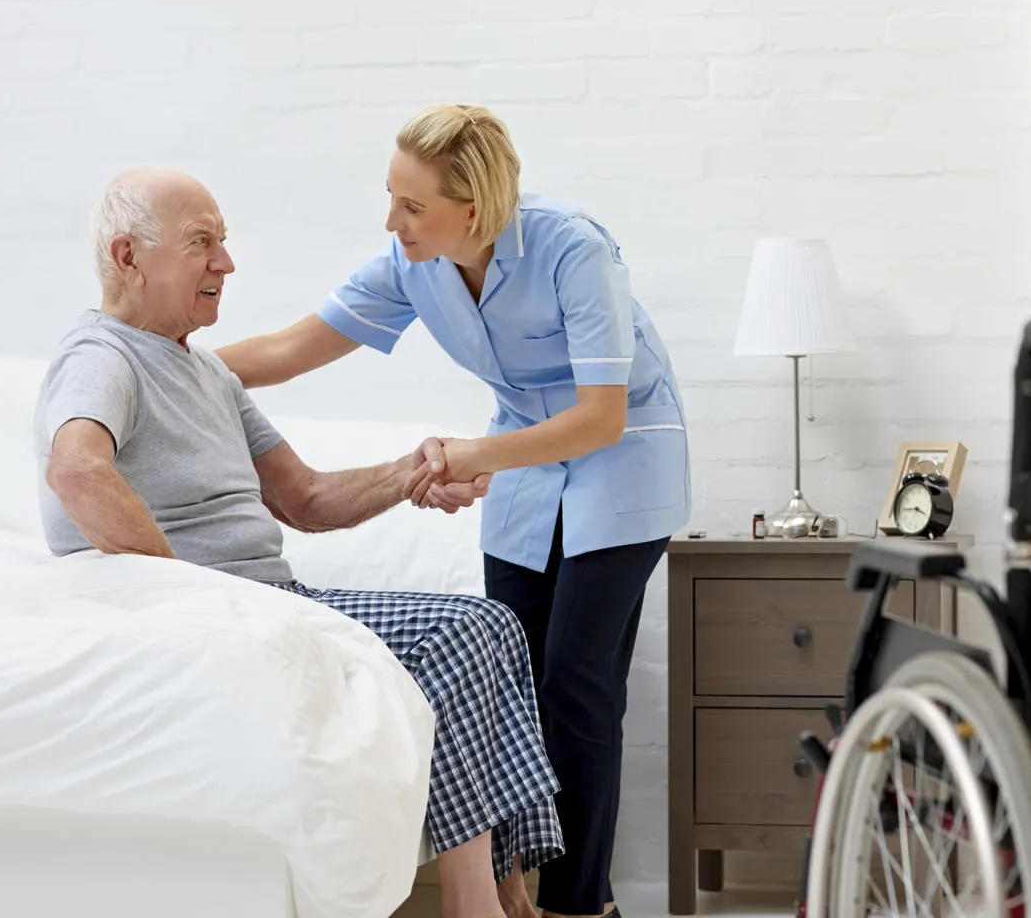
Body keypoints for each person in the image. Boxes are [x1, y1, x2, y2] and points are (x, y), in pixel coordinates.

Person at [35, 166, 560, 918]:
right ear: (127, 257)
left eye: (224, 241)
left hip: (273, 602)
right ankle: (473, 903)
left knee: (493, 628)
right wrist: (186, 594)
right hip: (226, 611)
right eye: (201, 243)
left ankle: (507, 888)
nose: (226, 262)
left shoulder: (206, 371)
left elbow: (305, 499)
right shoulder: (103, 356)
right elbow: (76, 470)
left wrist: (414, 471)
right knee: (462, 632)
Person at [215, 103, 692, 918]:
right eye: (391, 197)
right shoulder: (412, 263)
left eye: (411, 205)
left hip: (624, 460)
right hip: (523, 465)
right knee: (508, 681)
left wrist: (472, 457)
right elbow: (292, 350)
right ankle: (512, 897)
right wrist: (153, 364)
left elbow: (602, 416)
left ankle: (583, 907)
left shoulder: (572, 247)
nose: (392, 220)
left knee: (577, 683)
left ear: (472, 208)